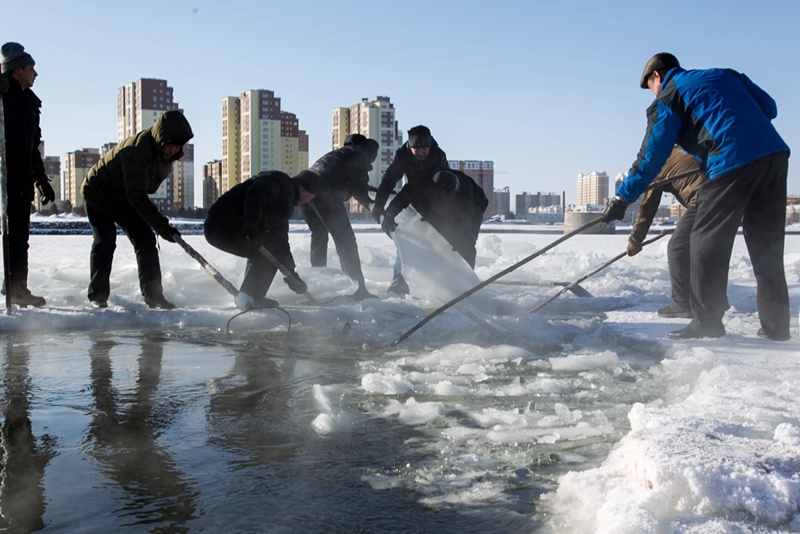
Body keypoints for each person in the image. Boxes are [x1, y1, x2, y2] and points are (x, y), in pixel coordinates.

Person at [603, 53, 791, 340]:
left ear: (657, 76)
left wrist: (622, 199)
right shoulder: (725, 74)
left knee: (705, 241)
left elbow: (652, 158)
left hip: (730, 161)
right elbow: (769, 107)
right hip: (774, 155)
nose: (653, 93)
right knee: (767, 246)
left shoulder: (669, 95)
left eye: (650, 87)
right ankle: (777, 328)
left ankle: (707, 322)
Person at [81, 110, 193, 309]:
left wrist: (159, 226)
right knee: (105, 241)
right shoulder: (137, 151)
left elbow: (139, 191)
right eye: (170, 145)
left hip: (123, 196)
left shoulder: (164, 156)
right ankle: (97, 296)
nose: (173, 150)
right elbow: (137, 197)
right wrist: (162, 227)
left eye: (177, 146)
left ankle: (154, 297)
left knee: (146, 241)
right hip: (99, 193)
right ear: (160, 139)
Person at [204, 170, 320, 311]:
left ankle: (250, 297)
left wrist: (292, 275)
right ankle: (252, 297)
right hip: (223, 224)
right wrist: (251, 225)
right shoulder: (281, 182)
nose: (308, 201)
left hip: (223, 228)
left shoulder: (285, 204)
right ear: (305, 189)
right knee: (267, 253)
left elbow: (281, 243)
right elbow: (256, 193)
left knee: (268, 251)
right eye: (310, 197)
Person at [0, 42, 56, 307]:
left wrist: (41, 180)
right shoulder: (2, 98)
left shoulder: (31, 104)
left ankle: (16, 288)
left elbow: (32, 148)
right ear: (17, 70)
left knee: (19, 237)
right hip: (2, 177)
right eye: (32, 68)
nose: (36, 74)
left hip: (20, 181)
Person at [626, 146, 706, 319]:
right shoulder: (686, 150)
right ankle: (714, 301)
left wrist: (635, 241)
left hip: (704, 200)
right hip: (726, 194)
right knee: (706, 247)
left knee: (677, 248)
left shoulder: (657, 162)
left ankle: (682, 304)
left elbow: (647, 207)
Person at [371, 125, 449, 294]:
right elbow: (389, 180)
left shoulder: (438, 156)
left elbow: (444, 189)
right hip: (412, 197)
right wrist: (379, 205)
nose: (421, 152)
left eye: (424, 149)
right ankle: (399, 281)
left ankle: (442, 280)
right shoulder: (402, 156)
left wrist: (434, 210)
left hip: (437, 199)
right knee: (408, 241)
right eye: (416, 149)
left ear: (430, 146)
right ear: (410, 146)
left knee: (436, 242)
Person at [300, 134, 379, 300]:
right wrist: (373, 206)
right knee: (346, 241)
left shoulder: (339, 154)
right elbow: (359, 188)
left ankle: (318, 284)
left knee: (319, 236)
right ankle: (357, 288)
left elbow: (354, 183)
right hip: (324, 194)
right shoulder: (359, 154)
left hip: (305, 191)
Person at [382, 169, 488, 268]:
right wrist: (389, 215)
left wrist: (461, 239)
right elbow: (403, 196)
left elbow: (465, 222)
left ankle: (466, 276)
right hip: (435, 204)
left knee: (466, 243)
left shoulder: (465, 195)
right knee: (435, 234)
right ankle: (437, 268)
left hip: (476, 207)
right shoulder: (422, 181)